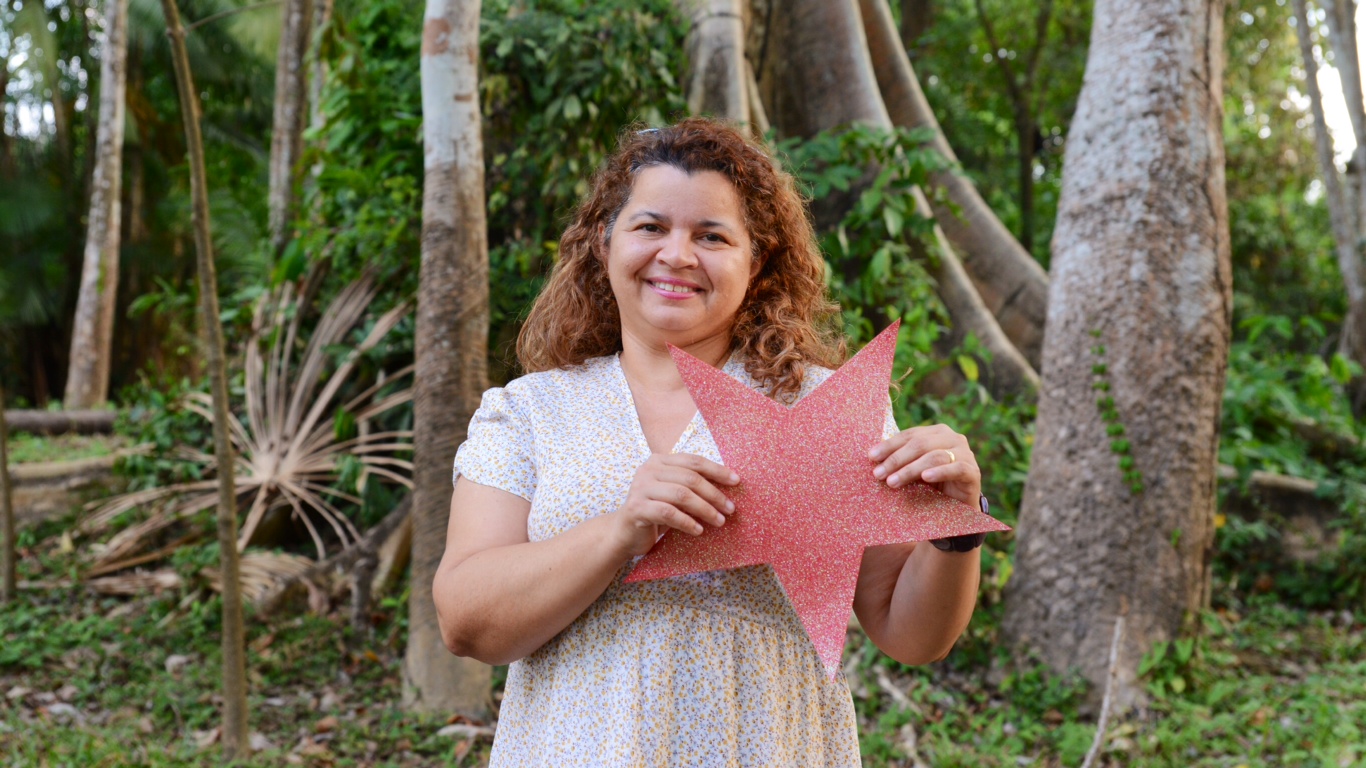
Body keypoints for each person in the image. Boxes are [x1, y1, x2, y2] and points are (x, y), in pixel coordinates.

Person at [432, 117, 987, 766]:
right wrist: (621, 532)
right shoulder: (528, 412)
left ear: (757, 262)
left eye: (711, 235)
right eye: (650, 227)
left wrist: (954, 528)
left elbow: (910, 631)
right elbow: (464, 619)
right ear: (602, 243)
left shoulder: (824, 407)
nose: (677, 254)